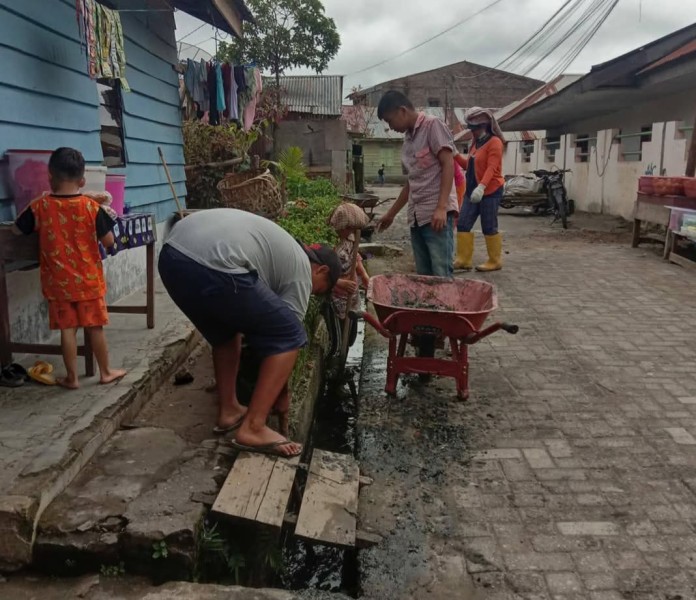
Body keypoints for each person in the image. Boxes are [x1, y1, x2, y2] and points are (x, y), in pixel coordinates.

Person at [158, 208, 341, 458]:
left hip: (171, 257)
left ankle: (229, 410)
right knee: (290, 334)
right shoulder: (301, 273)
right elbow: (283, 342)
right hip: (213, 263)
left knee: (226, 333)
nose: (311, 294)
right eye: (319, 290)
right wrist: (282, 396)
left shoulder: (283, 250)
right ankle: (254, 427)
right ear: (322, 271)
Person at [13, 147, 125, 389]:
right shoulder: (92, 208)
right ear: (83, 181)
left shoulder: (40, 207)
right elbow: (109, 242)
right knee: (95, 327)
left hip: (57, 283)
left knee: (67, 329)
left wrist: (35, 204)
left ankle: (72, 378)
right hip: (89, 282)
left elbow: (17, 229)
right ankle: (105, 372)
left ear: (49, 177)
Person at [375, 91, 458, 278]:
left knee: (441, 274)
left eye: (390, 120)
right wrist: (391, 214)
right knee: (424, 277)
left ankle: (445, 308)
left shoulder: (432, 126)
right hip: (417, 218)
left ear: (402, 111)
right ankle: (428, 308)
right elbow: (411, 182)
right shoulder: (408, 140)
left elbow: (448, 164)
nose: (390, 127)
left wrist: (441, 208)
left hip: (436, 216)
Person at [454, 107, 506, 272]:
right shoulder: (475, 144)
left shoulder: (495, 142)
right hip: (472, 190)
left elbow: (492, 168)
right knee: (463, 223)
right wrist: (455, 154)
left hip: (490, 190)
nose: (473, 132)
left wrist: (482, 187)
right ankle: (463, 259)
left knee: (489, 226)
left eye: (475, 128)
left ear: (484, 126)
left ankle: (494, 260)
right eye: (471, 129)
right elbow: (468, 166)